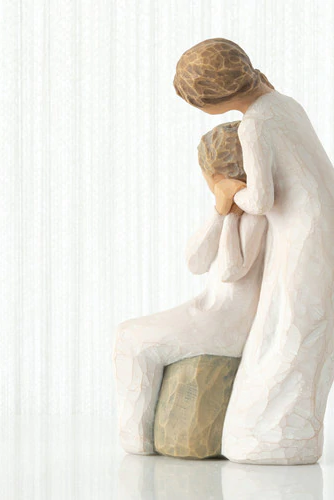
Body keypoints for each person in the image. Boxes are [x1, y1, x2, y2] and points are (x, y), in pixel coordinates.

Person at [174, 38, 334, 465]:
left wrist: (226, 190)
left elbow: (260, 199)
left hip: (309, 231)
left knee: (289, 327)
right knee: (305, 326)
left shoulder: (255, 124)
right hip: (333, 224)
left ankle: (270, 436)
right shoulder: (284, 104)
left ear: (214, 98)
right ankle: (284, 432)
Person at [113, 121, 267, 455]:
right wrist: (219, 212)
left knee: (132, 341)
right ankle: (137, 436)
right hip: (208, 310)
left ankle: (135, 439)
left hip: (226, 325)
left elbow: (232, 269)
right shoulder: (230, 212)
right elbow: (195, 262)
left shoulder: (256, 217)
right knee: (127, 334)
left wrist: (231, 217)